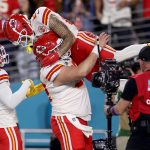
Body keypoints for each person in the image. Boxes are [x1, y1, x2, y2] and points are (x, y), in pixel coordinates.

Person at [2, 7, 149, 80]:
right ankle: (135, 87)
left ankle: (147, 46)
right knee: (103, 81)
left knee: (116, 57)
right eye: (19, 41)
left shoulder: (40, 16)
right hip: (72, 58)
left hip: (79, 42)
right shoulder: (34, 40)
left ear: (25, 25)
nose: (24, 42)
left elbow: (69, 37)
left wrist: (55, 55)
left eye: (22, 37)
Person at [33, 32, 109, 150]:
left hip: (78, 118)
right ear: (50, 52)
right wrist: (97, 48)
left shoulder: (63, 61)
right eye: (58, 46)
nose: (64, 47)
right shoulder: (49, 70)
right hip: (67, 119)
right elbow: (81, 72)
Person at [104, 45, 150, 150]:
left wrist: (109, 110)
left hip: (142, 136)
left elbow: (119, 109)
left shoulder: (135, 80)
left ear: (142, 62)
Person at [0, 44, 34, 150]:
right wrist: (27, 83)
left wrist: (24, 94)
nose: (2, 56)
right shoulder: (1, 73)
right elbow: (10, 103)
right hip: (6, 127)